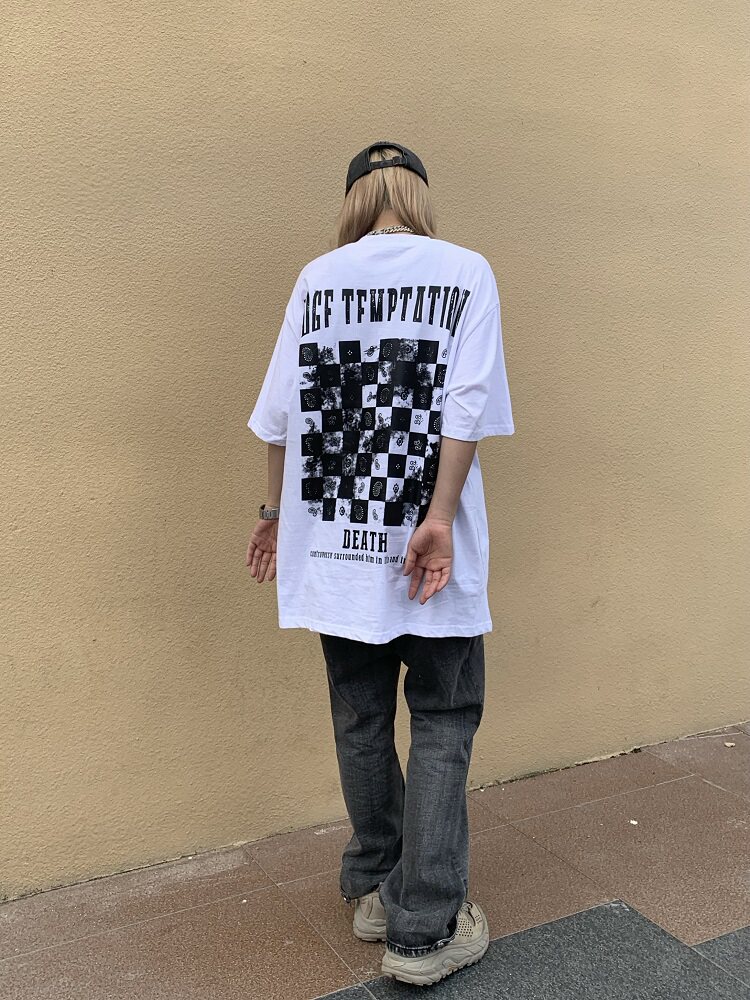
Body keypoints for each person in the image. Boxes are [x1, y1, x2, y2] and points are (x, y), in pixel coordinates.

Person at [245, 141, 514, 986]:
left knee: (360, 717)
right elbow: (465, 403)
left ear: (355, 199)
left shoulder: (316, 280)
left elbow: (281, 415)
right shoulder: (465, 271)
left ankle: (373, 887)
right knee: (443, 717)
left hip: (334, 545)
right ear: (417, 197)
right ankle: (424, 927)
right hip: (428, 551)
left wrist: (273, 518)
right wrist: (436, 518)